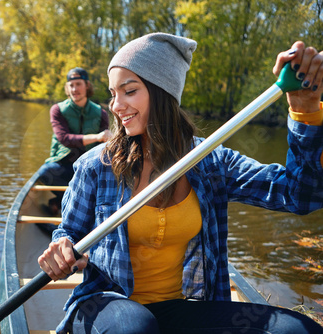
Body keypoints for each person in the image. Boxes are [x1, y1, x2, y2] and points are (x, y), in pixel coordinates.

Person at [38, 33, 323, 334]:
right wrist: (64, 248)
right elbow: (68, 231)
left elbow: (299, 194)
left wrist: (305, 111)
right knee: (135, 327)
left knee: (299, 330)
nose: (116, 106)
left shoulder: (210, 161)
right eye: (113, 94)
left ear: (163, 92)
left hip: (175, 308)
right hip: (105, 305)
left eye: (129, 91)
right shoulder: (97, 165)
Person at [37, 67, 112, 216]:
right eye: (71, 85)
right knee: (45, 172)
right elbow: (65, 139)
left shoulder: (101, 113)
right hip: (63, 164)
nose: (74, 89)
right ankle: (62, 201)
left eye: (78, 84)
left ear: (87, 86)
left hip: (88, 167)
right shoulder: (57, 110)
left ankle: (60, 204)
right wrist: (97, 137)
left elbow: (104, 147)